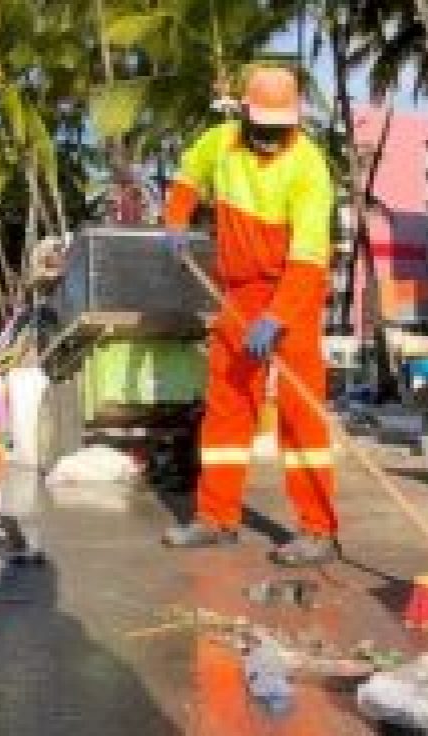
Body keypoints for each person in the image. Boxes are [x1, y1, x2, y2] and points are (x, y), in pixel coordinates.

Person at [161, 64, 338, 566]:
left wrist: (279, 316)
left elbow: (309, 255)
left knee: (301, 412)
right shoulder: (219, 143)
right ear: (243, 116)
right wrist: (176, 218)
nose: (267, 141)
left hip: (292, 295)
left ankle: (319, 529)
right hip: (237, 294)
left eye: (278, 132)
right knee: (228, 405)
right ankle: (216, 518)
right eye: (260, 130)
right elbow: (188, 177)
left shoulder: (309, 167)